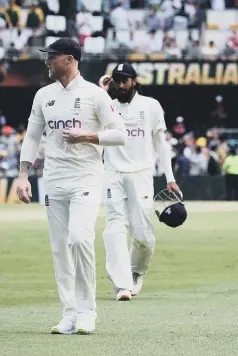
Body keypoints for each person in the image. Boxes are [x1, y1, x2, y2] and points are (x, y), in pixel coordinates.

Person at [15, 38, 127, 334]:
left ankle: (88, 310)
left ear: (69, 59)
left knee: (80, 238)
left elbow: (121, 134)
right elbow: (32, 136)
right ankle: (69, 312)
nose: (47, 62)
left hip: (86, 177)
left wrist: (89, 136)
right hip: (53, 179)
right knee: (60, 248)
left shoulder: (95, 94)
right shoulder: (43, 95)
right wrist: (23, 175)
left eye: (52, 57)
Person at [99, 63, 182, 301]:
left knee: (143, 236)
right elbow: (87, 117)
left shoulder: (151, 106)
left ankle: (136, 272)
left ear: (134, 81)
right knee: (114, 227)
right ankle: (122, 284)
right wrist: (101, 91)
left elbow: (161, 143)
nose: (121, 84)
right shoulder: (107, 106)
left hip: (142, 175)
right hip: (113, 173)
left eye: (125, 80)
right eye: (117, 80)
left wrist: (170, 178)